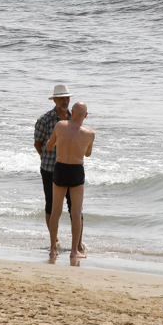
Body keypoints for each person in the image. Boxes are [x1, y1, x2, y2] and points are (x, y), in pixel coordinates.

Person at [45, 101, 95, 265]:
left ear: (71, 112)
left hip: (60, 168)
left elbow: (49, 146)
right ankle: (74, 251)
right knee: (76, 211)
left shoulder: (60, 125)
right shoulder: (89, 133)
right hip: (76, 170)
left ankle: (53, 248)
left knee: (56, 210)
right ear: (86, 115)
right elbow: (88, 154)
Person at [34, 84, 80, 257]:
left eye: (67, 98)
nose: (65, 101)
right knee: (51, 205)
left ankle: (77, 244)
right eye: (61, 98)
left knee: (75, 207)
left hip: (71, 167)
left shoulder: (75, 118)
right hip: (49, 168)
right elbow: (38, 143)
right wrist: (46, 158)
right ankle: (54, 241)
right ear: (54, 100)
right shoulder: (44, 120)